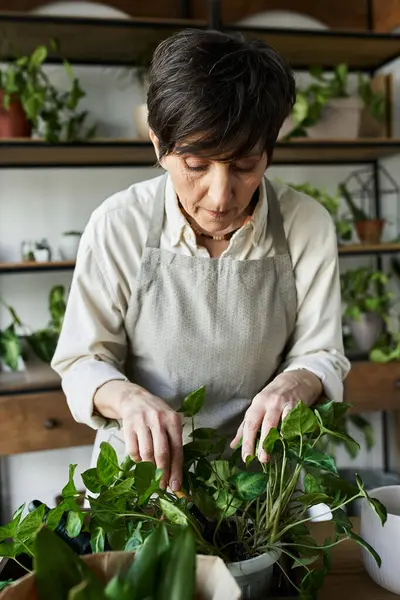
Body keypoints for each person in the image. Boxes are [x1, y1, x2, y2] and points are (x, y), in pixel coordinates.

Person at [51, 29, 350, 493]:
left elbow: (321, 351)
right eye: (196, 165)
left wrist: (296, 383)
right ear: (158, 145)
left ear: (270, 150)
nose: (220, 194)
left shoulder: (306, 225)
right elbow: (82, 360)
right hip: (144, 483)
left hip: (259, 485)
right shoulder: (118, 224)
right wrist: (129, 399)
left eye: (245, 166)